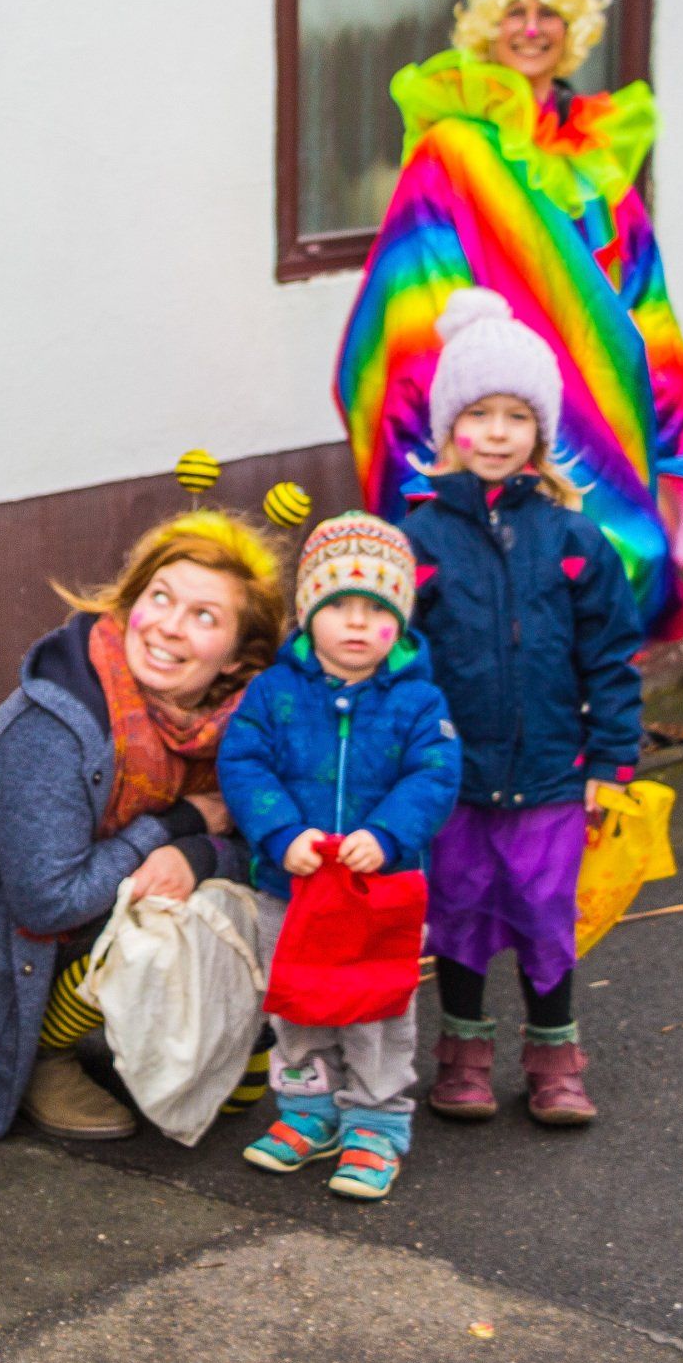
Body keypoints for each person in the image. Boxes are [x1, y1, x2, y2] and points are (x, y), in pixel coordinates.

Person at [335, 0, 683, 643]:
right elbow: (411, 313)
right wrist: (443, 452)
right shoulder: (453, 151)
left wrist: (662, 439)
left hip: (599, 443)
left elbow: (643, 301)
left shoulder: (594, 155)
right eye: (513, 11)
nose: (531, 28)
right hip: (487, 441)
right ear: (487, 25)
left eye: (548, 12)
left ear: (572, 27)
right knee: (488, 629)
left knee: (591, 618)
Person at [0, 512, 284, 1142]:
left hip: (90, 904)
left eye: (204, 616)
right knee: (160, 910)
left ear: (237, 661)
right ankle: (42, 1049)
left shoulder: (240, 723)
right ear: (131, 603)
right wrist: (177, 825)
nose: (170, 626)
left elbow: (260, 848)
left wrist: (195, 855)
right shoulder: (56, 722)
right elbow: (48, 900)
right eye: (160, 597)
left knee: (285, 875)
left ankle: (223, 1029)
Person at [401, 290, 644, 1127]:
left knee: (546, 918)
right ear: (449, 429)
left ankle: (554, 1062)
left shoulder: (575, 540)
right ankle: (462, 1058)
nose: (499, 432)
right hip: (454, 779)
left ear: (541, 431)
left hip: (551, 773)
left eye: (517, 416)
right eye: (479, 414)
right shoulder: (419, 542)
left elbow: (611, 658)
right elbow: (395, 662)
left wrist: (610, 761)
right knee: (459, 914)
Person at [220, 512, 462, 1202]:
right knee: (298, 1001)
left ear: (401, 620)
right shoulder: (273, 693)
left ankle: (376, 1122)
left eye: (377, 609)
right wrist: (280, 832)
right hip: (290, 885)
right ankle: (308, 1111)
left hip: (380, 891)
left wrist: (387, 835)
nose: (357, 623)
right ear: (306, 613)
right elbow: (244, 764)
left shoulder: (419, 701)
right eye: (338, 606)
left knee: (376, 1008)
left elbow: (436, 775)